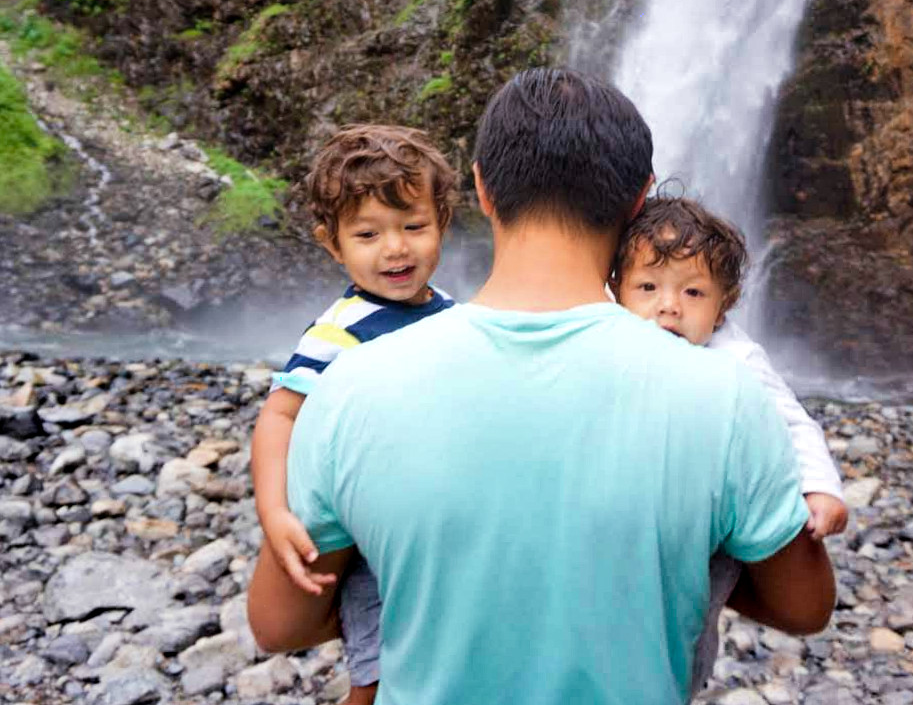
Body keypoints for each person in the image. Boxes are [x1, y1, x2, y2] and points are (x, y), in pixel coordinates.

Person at [249, 68, 835, 705]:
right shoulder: (726, 396)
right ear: (640, 199)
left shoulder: (351, 386)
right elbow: (805, 607)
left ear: (480, 187)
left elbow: (281, 624)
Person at [250, 123, 460, 705]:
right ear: (332, 243)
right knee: (377, 680)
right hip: (372, 539)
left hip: (436, 528)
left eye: (414, 226)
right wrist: (274, 511)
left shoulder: (451, 313)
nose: (395, 248)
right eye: (368, 234)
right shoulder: (336, 334)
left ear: (442, 221)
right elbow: (280, 418)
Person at [610, 194, 847, 696]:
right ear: (616, 290)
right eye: (648, 287)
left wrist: (822, 489)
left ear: (725, 305)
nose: (668, 306)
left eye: (693, 293)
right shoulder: (607, 337)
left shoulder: (738, 360)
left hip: (707, 535)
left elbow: (795, 423)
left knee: (694, 609)